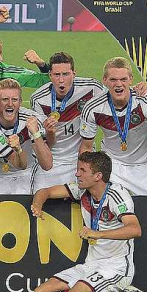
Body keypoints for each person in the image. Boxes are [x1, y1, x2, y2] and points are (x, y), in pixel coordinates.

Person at [30, 152, 145, 292]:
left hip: (115, 268)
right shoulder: (82, 190)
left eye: (82, 170)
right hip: (91, 264)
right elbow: (45, 191)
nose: (77, 174)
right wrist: (37, 204)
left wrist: (99, 234)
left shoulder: (117, 195)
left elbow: (135, 229)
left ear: (98, 176)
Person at [79, 57, 147, 196]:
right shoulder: (93, 107)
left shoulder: (145, 99)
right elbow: (86, 147)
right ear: (104, 80)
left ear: (131, 79)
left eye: (123, 79)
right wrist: (82, 175)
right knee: (105, 203)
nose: (118, 84)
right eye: (113, 79)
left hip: (145, 165)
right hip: (112, 165)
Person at [30, 53, 105, 191]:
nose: (61, 80)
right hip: (53, 158)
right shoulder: (38, 99)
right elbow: (47, 144)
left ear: (74, 74)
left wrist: (140, 88)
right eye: (56, 75)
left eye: (65, 74)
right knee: (39, 194)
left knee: (89, 195)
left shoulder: (92, 88)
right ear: (50, 75)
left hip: (83, 155)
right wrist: (49, 132)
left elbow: (115, 97)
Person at [0, 79, 53, 194]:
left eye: (14, 99)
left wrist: (35, 133)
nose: (10, 104)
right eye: (5, 99)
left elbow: (47, 165)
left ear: (20, 102)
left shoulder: (32, 119)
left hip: (27, 174)